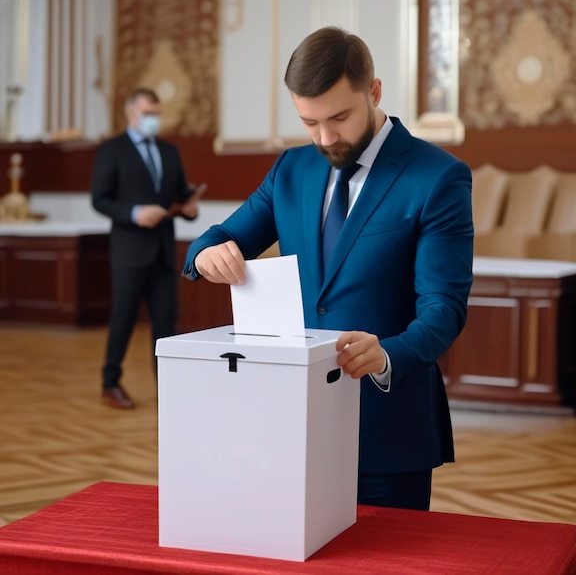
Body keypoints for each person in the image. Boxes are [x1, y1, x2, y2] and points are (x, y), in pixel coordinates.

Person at [183, 27, 474, 510]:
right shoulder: (291, 169)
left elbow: (444, 308)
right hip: (289, 425)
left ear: (374, 91)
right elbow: (217, 238)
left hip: (386, 428)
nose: (326, 137)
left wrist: (387, 355)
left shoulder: (438, 177)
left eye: (339, 117)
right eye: (309, 121)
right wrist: (205, 254)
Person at [92, 87, 201, 409]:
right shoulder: (112, 150)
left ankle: (166, 387)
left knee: (166, 324)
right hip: (129, 250)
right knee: (123, 318)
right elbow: (100, 199)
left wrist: (189, 207)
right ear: (130, 113)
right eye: (147, 114)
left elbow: (180, 194)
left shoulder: (169, 151)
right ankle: (110, 383)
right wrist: (135, 213)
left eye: (156, 114)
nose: (153, 120)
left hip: (164, 251)